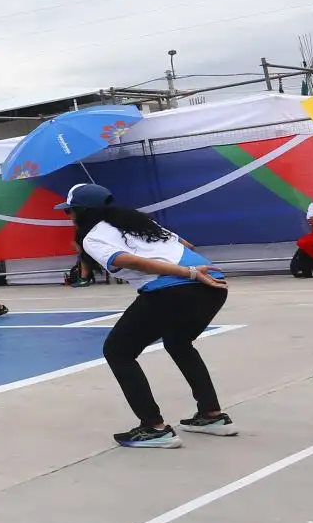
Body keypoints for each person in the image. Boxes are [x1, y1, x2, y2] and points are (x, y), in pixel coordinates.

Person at [59, 182, 234, 448]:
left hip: (175, 289)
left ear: (82, 211)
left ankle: (154, 428)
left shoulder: (93, 236)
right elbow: (186, 244)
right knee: (178, 342)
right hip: (213, 287)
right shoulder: (140, 222)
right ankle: (212, 415)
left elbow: (126, 260)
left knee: (118, 351)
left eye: (69, 211)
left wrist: (186, 273)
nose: (68, 217)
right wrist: (191, 271)